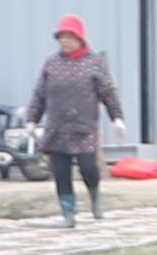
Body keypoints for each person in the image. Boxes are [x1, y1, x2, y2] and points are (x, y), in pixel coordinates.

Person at [28, 18, 115, 225]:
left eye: (69, 37)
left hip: (84, 127)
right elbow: (40, 94)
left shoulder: (94, 63)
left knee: (87, 168)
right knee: (61, 172)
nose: (65, 42)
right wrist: (32, 119)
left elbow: (108, 93)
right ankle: (68, 213)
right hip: (57, 128)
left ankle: (94, 196)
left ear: (79, 39)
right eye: (62, 38)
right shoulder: (52, 63)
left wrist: (117, 117)